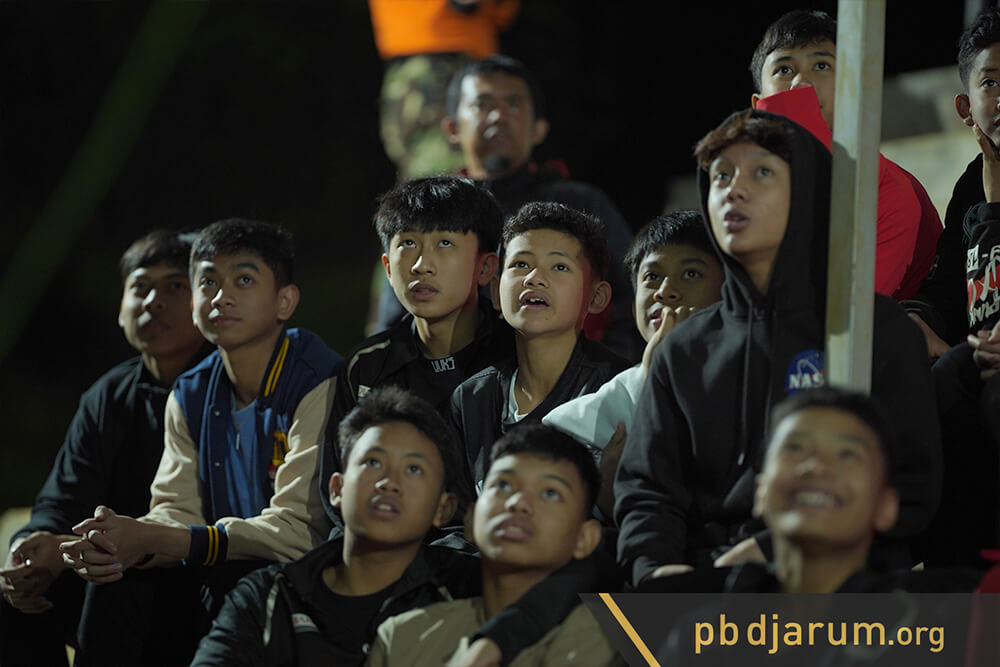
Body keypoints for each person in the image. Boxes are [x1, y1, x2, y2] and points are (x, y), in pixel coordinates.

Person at [614, 109, 941, 587]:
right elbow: (648, 490)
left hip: (839, 581)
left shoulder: (876, 329)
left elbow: (910, 487)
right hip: (705, 582)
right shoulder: (682, 350)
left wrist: (775, 548)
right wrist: (656, 569)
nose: (734, 190)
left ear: (807, 193)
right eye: (721, 176)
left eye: (761, 172)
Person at [60, 219, 342, 665]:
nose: (221, 296)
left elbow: (299, 533)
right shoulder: (191, 392)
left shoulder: (317, 380)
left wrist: (162, 538)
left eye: (243, 280)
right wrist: (123, 540)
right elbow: (176, 508)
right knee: (116, 581)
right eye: (208, 281)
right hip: (222, 563)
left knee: (237, 583)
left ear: (284, 301)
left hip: (304, 579)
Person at [193, 387, 597, 666]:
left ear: (445, 508)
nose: (389, 482)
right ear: (336, 489)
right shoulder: (272, 596)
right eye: (372, 462)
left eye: (414, 469)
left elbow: (586, 572)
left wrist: (503, 635)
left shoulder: (464, 583)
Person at [0, 230, 209, 667]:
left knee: (115, 583)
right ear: (121, 309)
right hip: (106, 563)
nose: (153, 302)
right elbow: (62, 500)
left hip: (194, 569)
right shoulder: (109, 395)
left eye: (175, 287)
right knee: (18, 594)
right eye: (140, 287)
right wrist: (30, 546)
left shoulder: (227, 388)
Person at [376, 55, 641, 363]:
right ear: (452, 128)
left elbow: (634, 297)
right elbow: (393, 323)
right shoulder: (427, 211)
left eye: (513, 104)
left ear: (539, 128)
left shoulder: (583, 205)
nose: (498, 116)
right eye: (482, 104)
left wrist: (604, 372)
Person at [321, 176, 513, 526]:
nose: (421, 264)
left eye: (444, 243)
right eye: (408, 243)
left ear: (485, 267)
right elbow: (339, 490)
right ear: (387, 267)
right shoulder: (366, 367)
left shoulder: (516, 355)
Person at [367, 423, 620, 667]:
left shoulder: (619, 638)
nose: (518, 502)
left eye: (550, 493)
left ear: (585, 538)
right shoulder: (402, 637)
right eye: (503, 485)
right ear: (470, 519)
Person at [749, 9, 942, 302]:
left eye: (821, 65)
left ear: (854, 89)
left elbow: (844, 315)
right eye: (784, 70)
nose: (801, 83)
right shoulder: (739, 189)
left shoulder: (887, 191)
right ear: (758, 104)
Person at [542, 210, 724, 518]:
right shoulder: (577, 426)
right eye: (652, 277)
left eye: (691, 274)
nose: (665, 291)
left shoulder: (757, 386)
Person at [906, 8, 1000, 566]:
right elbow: (947, 285)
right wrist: (919, 320)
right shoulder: (971, 181)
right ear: (966, 107)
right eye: (992, 82)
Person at [451, 201, 630, 485]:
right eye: (521, 264)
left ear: (596, 297)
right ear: (496, 292)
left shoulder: (617, 391)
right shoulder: (473, 399)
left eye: (559, 266)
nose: (534, 278)